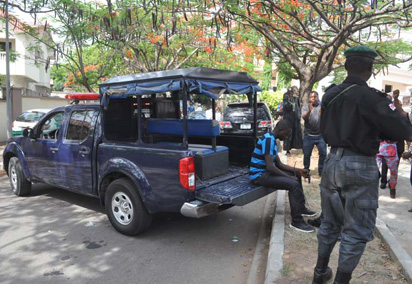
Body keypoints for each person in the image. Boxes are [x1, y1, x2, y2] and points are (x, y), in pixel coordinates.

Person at [312, 45, 412, 284]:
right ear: (370, 68)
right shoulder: (373, 98)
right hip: (360, 165)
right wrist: (396, 109)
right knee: (356, 230)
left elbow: (323, 128)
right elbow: (404, 131)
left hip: (332, 161)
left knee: (329, 222)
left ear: (346, 66)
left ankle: (319, 274)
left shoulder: (329, 94)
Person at [249, 120, 317, 233]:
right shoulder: (268, 140)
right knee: (293, 184)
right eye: (286, 134)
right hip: (259, 176)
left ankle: (301, 208)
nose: (286, 137)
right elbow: (270, 166)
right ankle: (297, 222)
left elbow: (279, 164)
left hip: (265, 173)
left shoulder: (272, 139)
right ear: (280, 130)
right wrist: (289, 178)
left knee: (297, 177)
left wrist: (299, 171)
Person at [301, 91, 327, 176]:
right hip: (309, 135)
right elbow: (304, 118)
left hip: (320, 135)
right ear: (309, 98)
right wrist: (309, 111)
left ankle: (321, 170)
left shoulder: (321, 107)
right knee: (307, 154)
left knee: (323, 153)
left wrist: (322, 115)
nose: (313, 98)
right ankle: (306, 170)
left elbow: (326, 119)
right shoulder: (305, 107)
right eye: (311, 97)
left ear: (318, 97)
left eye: (315, 96)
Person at [282, 86, 303, 154]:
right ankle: (287, 149)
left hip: (295, 118)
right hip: (288, 118)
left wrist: (298, 116)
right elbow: (285, 106)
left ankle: (298, 147)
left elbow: (298, 107)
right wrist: (290, 101)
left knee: (297, 133)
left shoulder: (296, 98)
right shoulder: (286, 96)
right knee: (288, 133)